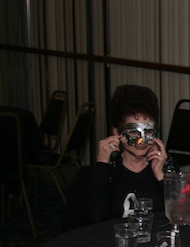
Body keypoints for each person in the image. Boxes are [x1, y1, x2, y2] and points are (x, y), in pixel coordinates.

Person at [63, 85, 167, 231]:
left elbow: (181, 218)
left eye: (148, 131)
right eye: (133, 132)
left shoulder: (166, 169)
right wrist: (101, 166)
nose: (141, 141)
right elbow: (95, 218)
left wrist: (161, 177)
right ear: (117, 132)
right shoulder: (95, 175)